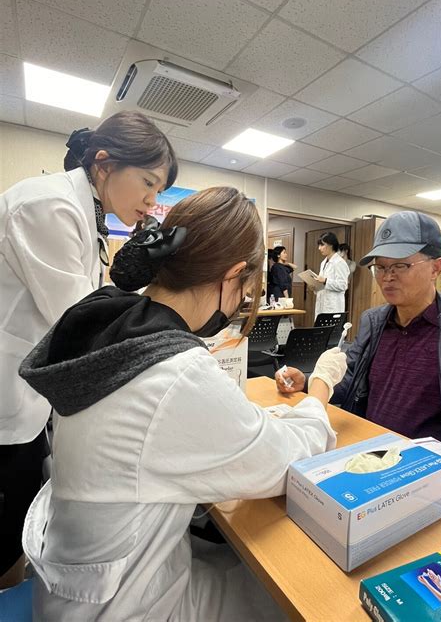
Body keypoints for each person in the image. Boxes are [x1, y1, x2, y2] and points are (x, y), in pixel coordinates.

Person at [19, 187, 347, 621]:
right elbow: (287, 461)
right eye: (245, 289)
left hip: (77, 584)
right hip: (123, 608)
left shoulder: (115, 323)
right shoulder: (175, 372)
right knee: (307, 592)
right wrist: (320, 388)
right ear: (232, 277)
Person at [0, 110, 178, 588]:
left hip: (27, 403)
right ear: (103, 164)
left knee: (13, 520)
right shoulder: (47, 205)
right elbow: (78, 318)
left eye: (159, 189)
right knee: (3, 531)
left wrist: (126, 278)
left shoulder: (84, 213)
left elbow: (88, 297)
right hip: (4, 403)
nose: (152, 199)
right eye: (148, 181)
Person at [278, 211, 441, 447]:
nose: (387, 278)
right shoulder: (374, 321)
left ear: (436, 268)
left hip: (432, 463)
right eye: (380, 267)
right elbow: (351, 379)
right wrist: (310, 381)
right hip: (370, 448)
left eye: (400, 266)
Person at [313, 232, 350, 320]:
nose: (319, 248)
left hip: (333, 306)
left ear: (331, 245)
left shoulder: (339, 263)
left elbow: (343, 285)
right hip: (322, 305)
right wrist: (315, 286)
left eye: (322, 245)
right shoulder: (323, 262)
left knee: (331, 332)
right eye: (319, 245)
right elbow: (322, 284)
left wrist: (326, 281)